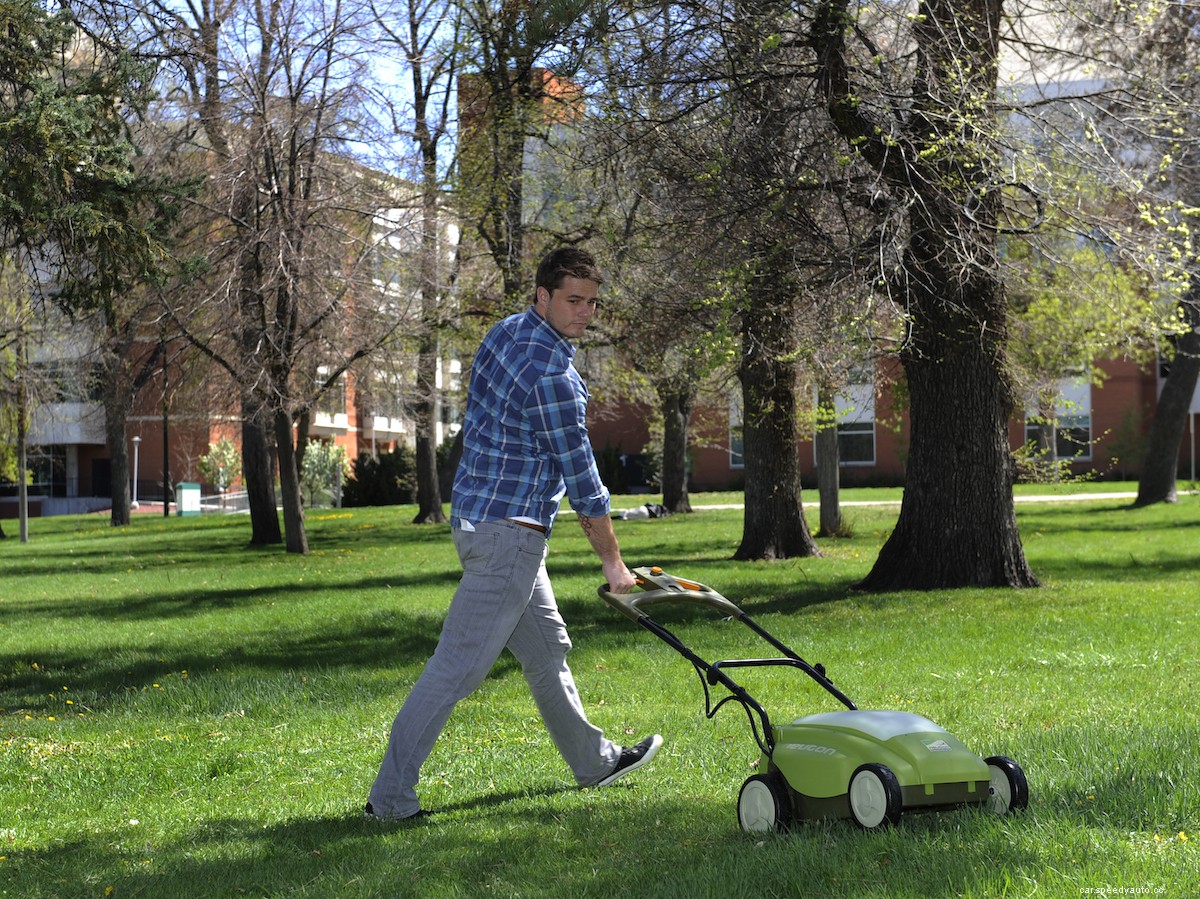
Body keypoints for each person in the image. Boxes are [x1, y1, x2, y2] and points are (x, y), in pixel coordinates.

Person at [366, 247, 661, 821]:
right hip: (511, 537)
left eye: (593, 302)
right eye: (573, 300)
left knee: (547, 648)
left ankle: (595, 760)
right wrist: (614, 564)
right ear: (543, 296)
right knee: (456, 668)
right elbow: (583, 480)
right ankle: (390, 799)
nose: (584, 312)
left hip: (481, 521)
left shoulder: (505, 334)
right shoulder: (554, 377)